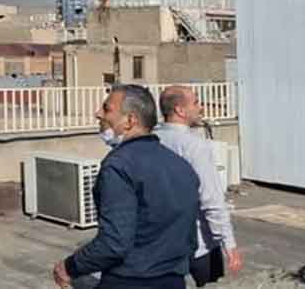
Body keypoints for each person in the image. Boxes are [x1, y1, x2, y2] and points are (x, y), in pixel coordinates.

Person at [53, 85, 200, 289]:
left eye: (107, 109)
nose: (98, 114)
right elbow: (190, 239)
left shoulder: (119, 166)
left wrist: (69, 267)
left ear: (130, 120)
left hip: (129, 280)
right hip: (173, 281)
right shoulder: (181, 166)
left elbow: (114, 243)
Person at [156, 86, 243, 286]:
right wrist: (228, 243)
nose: (201, 107)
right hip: (198, 243)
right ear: (180, 110)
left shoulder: (153, 139)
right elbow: (211, 198)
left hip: (162, 242)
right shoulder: (194, 145)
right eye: (195, 102)